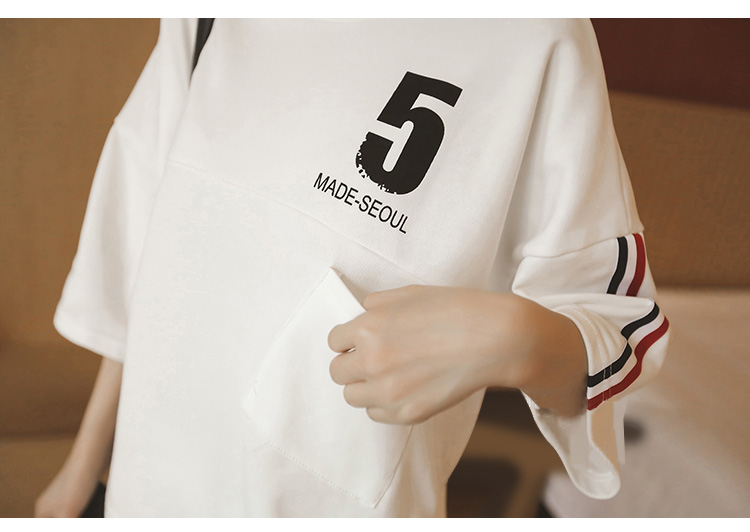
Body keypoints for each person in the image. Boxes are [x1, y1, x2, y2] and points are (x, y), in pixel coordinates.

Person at [36, 18, 670, 517]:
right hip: (144, 494)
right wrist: (81, 469)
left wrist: (512, 338)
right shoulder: (207, 17)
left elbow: (619, 329)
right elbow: (149, 239)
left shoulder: (534, 35)